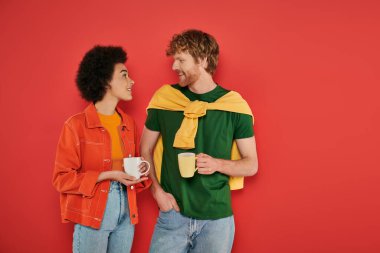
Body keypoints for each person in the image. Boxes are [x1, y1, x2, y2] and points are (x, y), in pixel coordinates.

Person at [140, 29, 259, 253]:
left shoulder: (234, 106)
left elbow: (251, 164)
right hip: (172, 217)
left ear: (203, 60)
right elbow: (145, 148)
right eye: (174, 59)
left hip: (217, 222)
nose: (174, 66)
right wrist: (156, 191)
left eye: (181, 60)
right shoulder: (165, 100)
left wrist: (218, 164)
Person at [52, 45, 151, 253]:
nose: (131, 81)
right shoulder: (76, 125)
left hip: (127, 208)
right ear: (105, 80)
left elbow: (133, 170)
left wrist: (142, 171)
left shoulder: (128, 123)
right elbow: (61, 179)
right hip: (93, 210)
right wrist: (108, 175)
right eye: (124, 75)